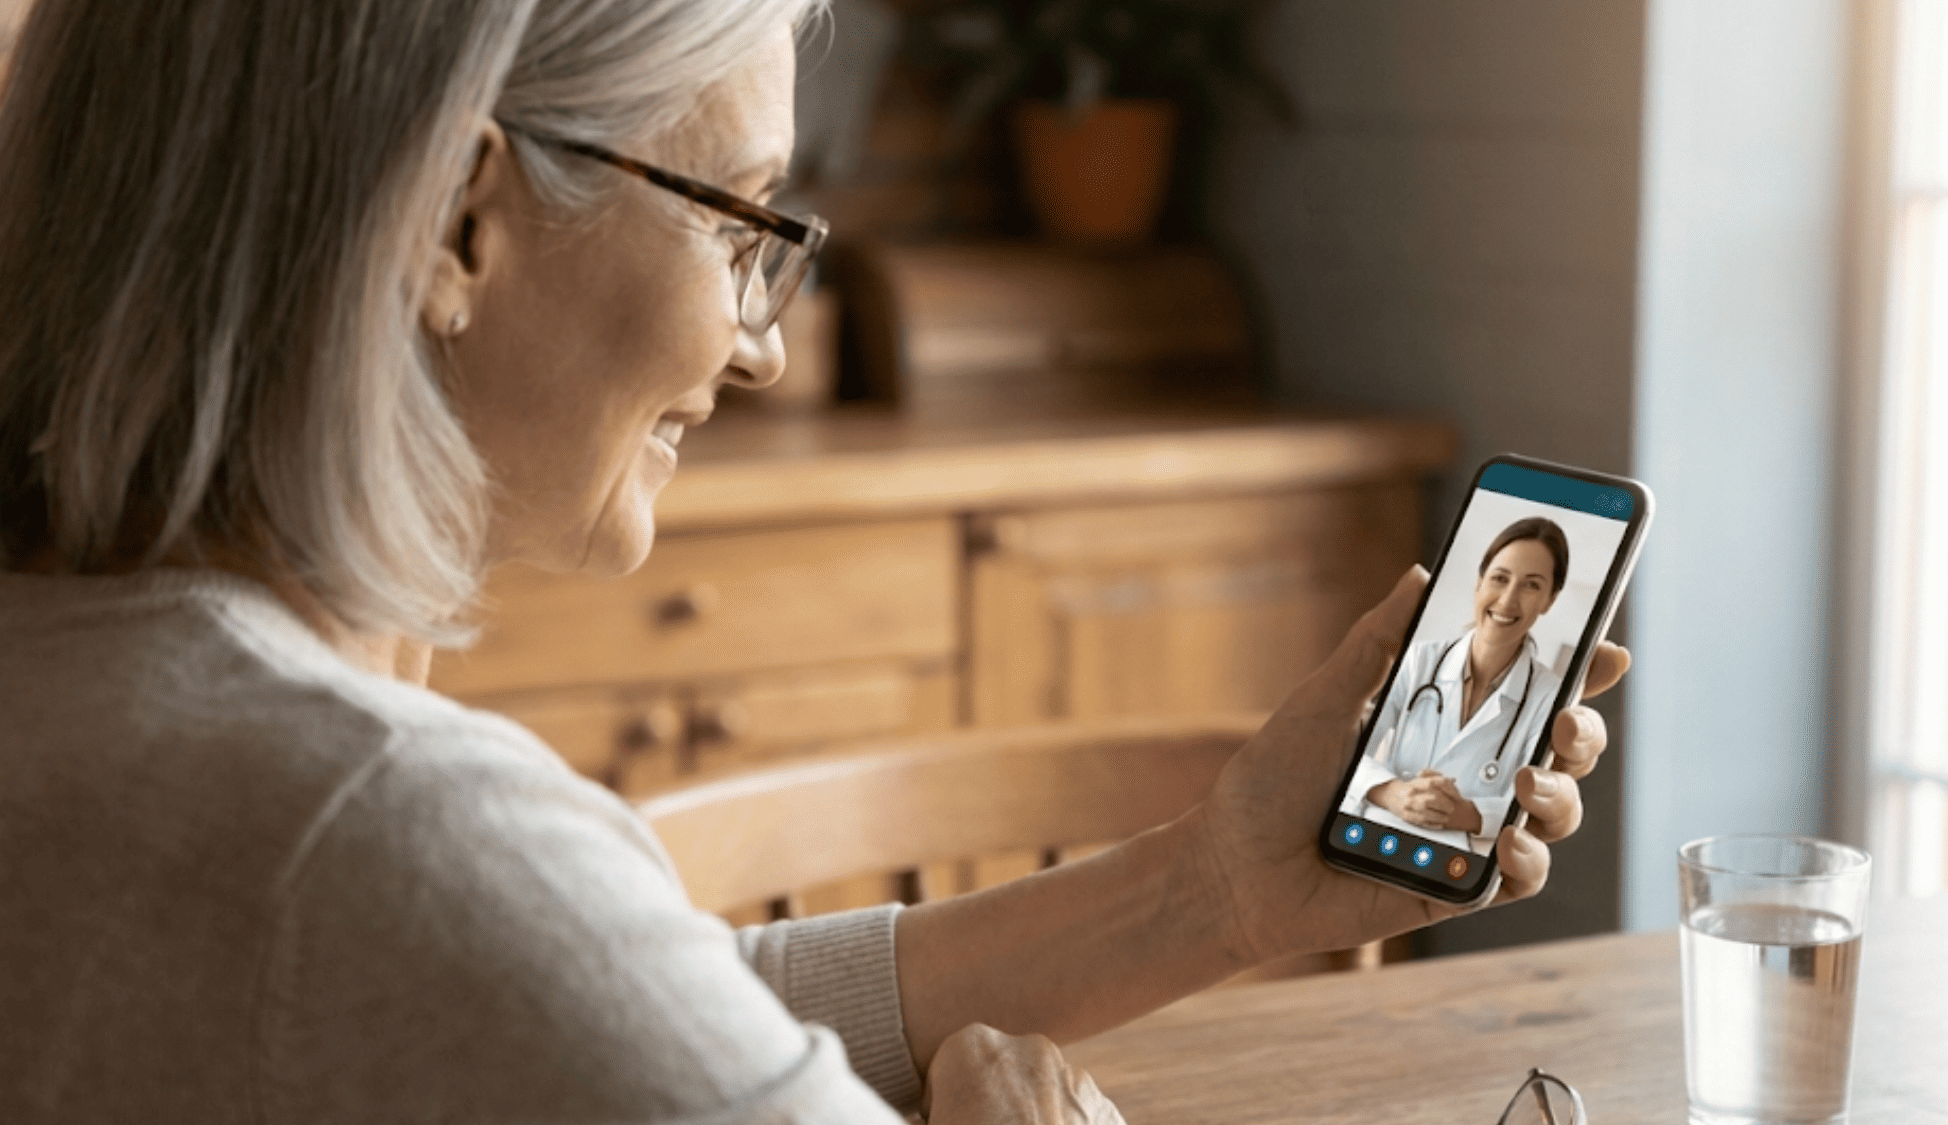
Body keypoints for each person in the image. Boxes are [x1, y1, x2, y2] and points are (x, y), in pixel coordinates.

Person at [0, 2, 1630, 1122]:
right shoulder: (374, 832)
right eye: (738, 224)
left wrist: (1213, 890)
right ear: (453, 221)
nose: (762, 349)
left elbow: (606, 1005)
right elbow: (519, 959)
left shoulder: (107, 688)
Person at [1344, 518, 1571, 854]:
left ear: (1550, 600)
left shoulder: (1550, 696)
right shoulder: (1418, 659)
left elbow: (1529, 803)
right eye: (1499, 578)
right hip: (1370, 840)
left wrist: (1469, 814)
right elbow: (1350, 751)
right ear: (1479, 582)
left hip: (1450, 861)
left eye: (1532, 585)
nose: (1508, 600)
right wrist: (1391, 792)